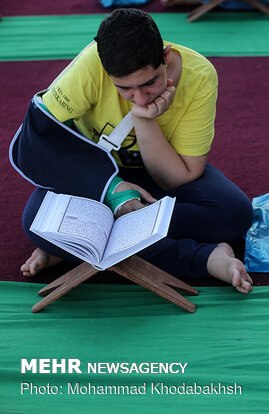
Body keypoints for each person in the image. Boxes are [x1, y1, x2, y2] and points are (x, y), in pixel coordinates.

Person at [18, 8, 254, 294]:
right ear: (106, 72)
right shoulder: (90, 64)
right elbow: (36, 141)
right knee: (35, 219)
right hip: (96, 181)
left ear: (165, 56)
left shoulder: (200, 74)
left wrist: (144, 118)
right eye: (125, 88)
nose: (141, 96)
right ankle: (203, 259)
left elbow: (177, 179)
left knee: (234, 213)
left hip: (158, 176)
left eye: (150, 82)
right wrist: (115, 191)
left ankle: (78, 244)